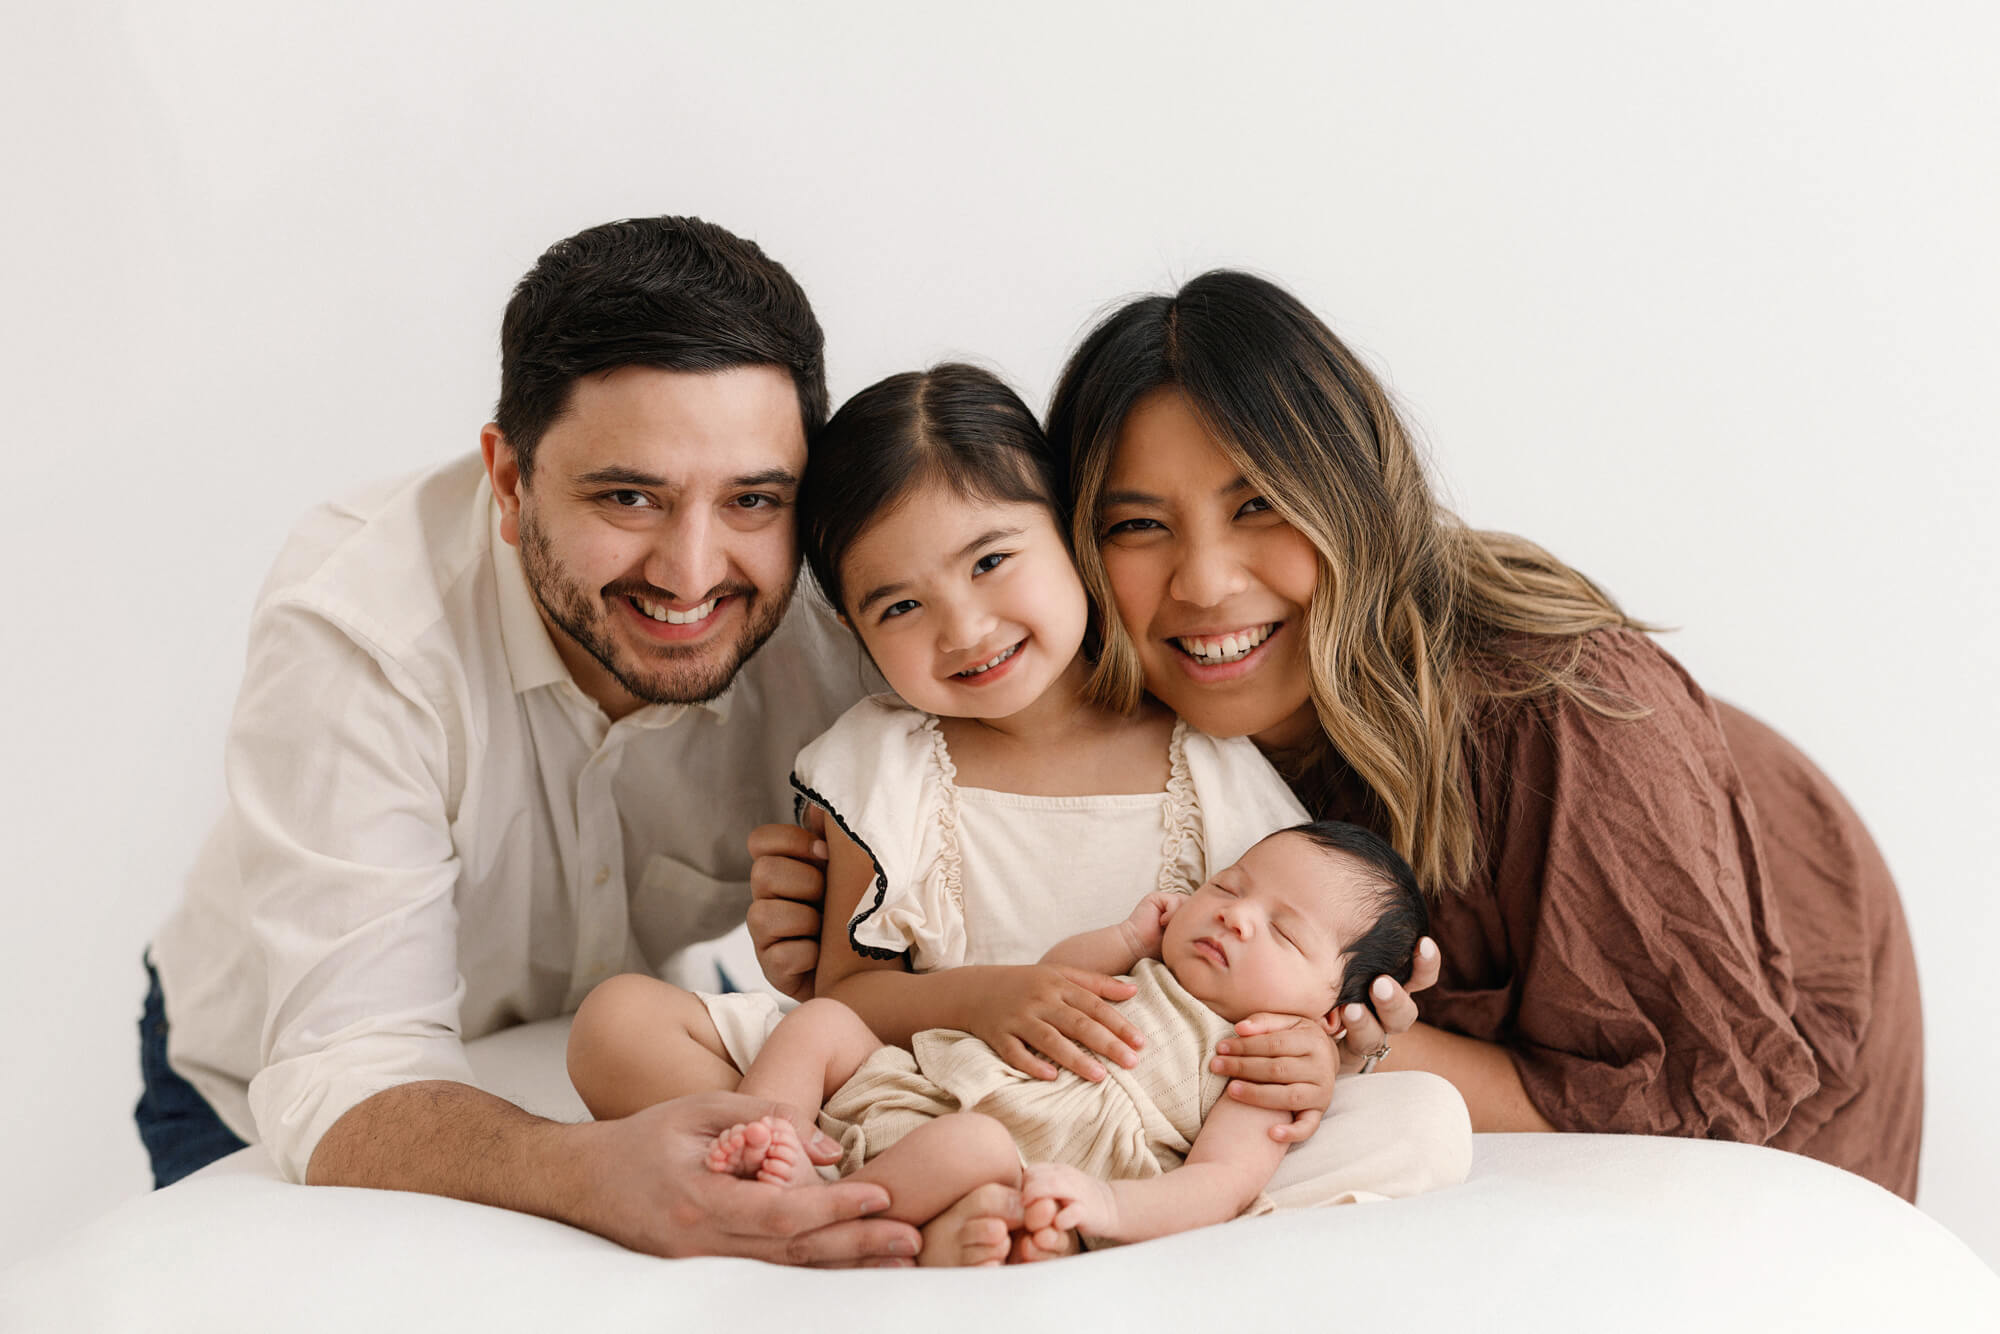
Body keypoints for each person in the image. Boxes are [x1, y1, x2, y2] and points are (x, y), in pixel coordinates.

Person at [753, 270, 1925, 1201]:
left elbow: (1682, 1093)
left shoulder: (1566, 713)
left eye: (1258, 502)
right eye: (1136, 524)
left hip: (1749, 1030)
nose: (1204, 582)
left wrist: (1353, 1048)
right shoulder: (1101, 684)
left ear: (1350, 488)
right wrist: (861, 936)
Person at [138, 215, 923, 1264]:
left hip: (603, 1042)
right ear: (508, 481)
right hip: (276, 1078)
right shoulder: (360, 625)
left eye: (750, 498)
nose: (692, 574)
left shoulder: (857, 606)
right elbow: (349, 1064)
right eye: (628, 495)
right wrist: (590, 1170)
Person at [567, 364, 1470, 1258]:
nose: (963, 629)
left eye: (993, 561)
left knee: (1424, 1118)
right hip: (921, 1076)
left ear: (1074, 538)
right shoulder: (884, 764)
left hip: (1138, 1127)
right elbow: (845, 996)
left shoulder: (1203, 761)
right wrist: (991, 998)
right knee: (621, 1022)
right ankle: (790, 1163)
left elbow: (1281, 980)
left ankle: (985, 1212)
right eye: (902, 605)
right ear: (850, 626)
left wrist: (1321, 1062)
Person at [695, 821, 1433, 1265]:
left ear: (1334, 1013)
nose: (1238, 918)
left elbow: (1221, 1184)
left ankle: (812, 1219)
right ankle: (774, 1137)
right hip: (920, 1085)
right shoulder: (1140, 960)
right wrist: (1122, 939)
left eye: (1282, 931)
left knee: (973, 1148)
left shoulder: (1266, 1055)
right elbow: (1047, 983)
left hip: (1005, 1153)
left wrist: (1106, 1207)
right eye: (1229, 888)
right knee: (821, 1024)